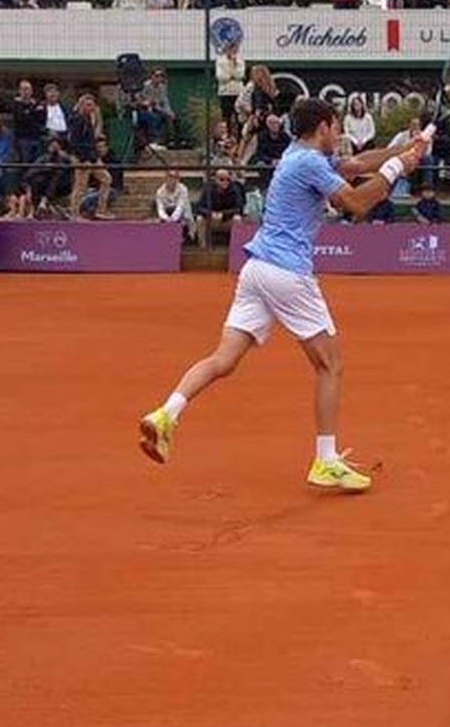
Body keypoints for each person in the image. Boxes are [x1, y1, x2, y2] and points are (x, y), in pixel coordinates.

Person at [138, 99, 427, 493]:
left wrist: (406, 148)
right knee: (330, 365)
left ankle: (166, 414)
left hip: (256, 271)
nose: (339, 134)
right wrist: (398, 169)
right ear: (323, 127)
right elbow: (357, 204)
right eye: (336, 127)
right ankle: (325, 461)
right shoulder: (308, 163)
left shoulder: (298, 154)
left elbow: (358, 166)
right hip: (287, 273)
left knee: (223, 359)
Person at [195, 168, 245, 245]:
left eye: (228, 179)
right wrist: (211, 214)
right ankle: (202, 247)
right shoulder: (208, 188)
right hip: (211, 219)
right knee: (199, 219)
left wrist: (223, 214)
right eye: (222, 179)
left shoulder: (235, 189)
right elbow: (199, 207)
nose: (225, 182)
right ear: (215, 179)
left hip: (227, 220)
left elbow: (239, 208)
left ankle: (235, 247)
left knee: (237, 219)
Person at [10, 79, 46, 164]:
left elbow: (42, 119)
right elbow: (23, 119)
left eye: (28, 89)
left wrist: (30, 112)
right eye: (24, 89)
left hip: (37, 138)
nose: (26, 91)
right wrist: (33, 111)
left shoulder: (36, 104)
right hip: (23, 140)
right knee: (26, 165)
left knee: (37, 165)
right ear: (19, 91)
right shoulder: (16, 105)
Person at [215, 40, 246, 129]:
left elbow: (240, 75)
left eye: (235, 49)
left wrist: (234, 65)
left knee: (239, 117)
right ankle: (227, 137)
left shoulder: (240, 61)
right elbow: (221, 77)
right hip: (225, 93)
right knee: (226, 117)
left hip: (238, 92)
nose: (233, 51)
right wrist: (232, 73)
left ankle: (240, 138)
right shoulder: (220, 61)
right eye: (231, 49)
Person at [155, 170, 193, 241]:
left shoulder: (183, 189)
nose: (172, 179)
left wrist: (172, 220)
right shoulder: (159, 192)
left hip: (183, 218)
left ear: (178, 179)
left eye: (174, 177)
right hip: (167, 218)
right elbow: (160, 209)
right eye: (169, 177)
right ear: (165, 178)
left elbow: (180, 207)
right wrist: (167, 219)